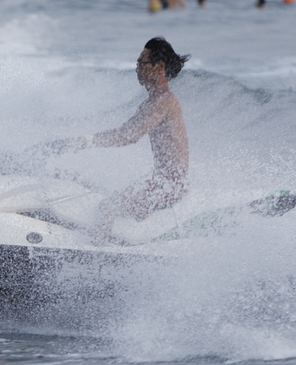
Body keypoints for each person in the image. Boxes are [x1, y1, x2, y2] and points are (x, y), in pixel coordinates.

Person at [45, 37, 191, 239]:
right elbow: (122, 131)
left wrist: (86, 142)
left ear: (160, 66)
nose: (137, 68)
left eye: (141, 63)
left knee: (108, 207)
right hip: (162, 181)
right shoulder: (153, 102)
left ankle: (97, 252)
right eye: (137, 63)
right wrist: (82, 141)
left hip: (171, 183)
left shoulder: (164, 101)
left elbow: (129, 136)